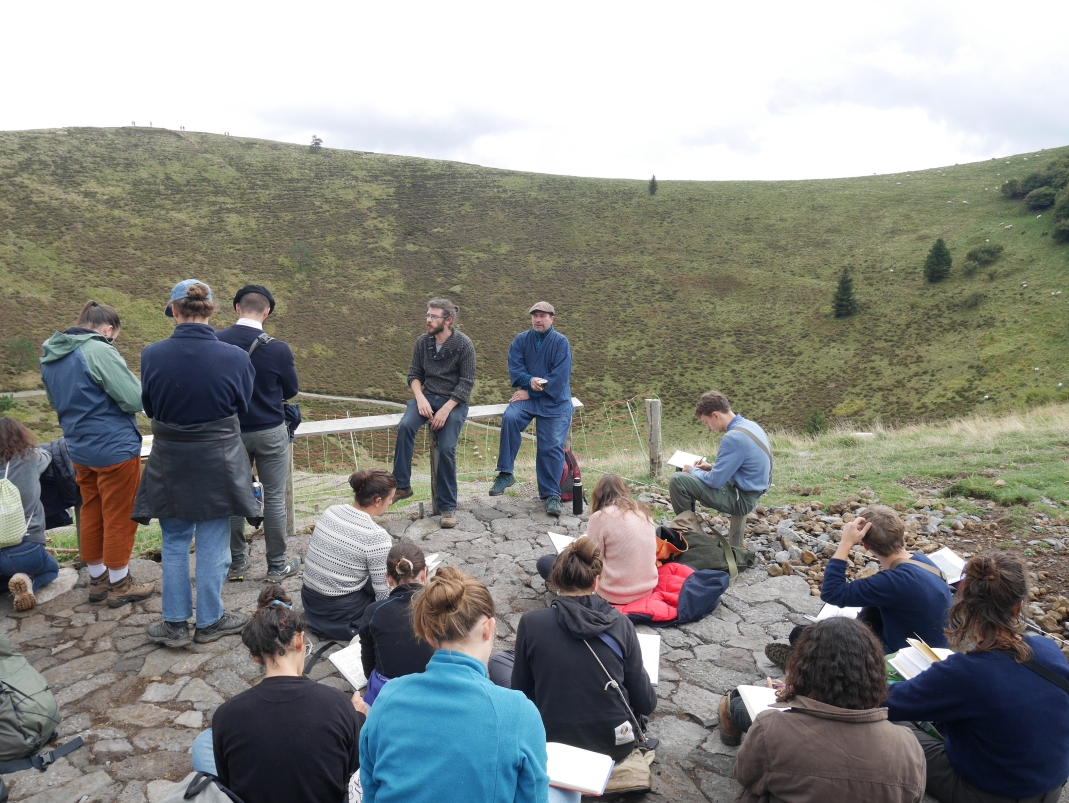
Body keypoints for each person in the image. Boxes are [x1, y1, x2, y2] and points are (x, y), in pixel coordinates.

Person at [887, 552, 1069, 803]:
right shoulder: (1049, 650)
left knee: (893, 726)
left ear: (965, 606)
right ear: (1018, 607)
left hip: (989, 793)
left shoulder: (965, 671)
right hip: (1050, 788)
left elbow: (886, 704)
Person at [134, 280, 258, 647]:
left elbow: (151, 407)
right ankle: (209, 621)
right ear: (211, 311)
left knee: (173, 540)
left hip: (169, 457)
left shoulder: (151, 354)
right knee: (213, 541)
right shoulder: (236, 356)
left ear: (174, 310)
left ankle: (174, 624)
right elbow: (243, 406)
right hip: (218, 457)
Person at [360, 567, 549, 803]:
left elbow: (371, 790)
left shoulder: (387, 698)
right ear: (488, 628)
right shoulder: (519, 711)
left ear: (428, 635)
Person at [190, 584, 366, 803]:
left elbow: (229, 783)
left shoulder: (227, 715)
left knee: (204, 741)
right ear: (300, 641)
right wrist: (357, 719)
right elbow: (352, 771)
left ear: (255, 657)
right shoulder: (337, 703)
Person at [731, 616, 926, 803]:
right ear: (875, 675)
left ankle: (727, 711)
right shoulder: (908, 745)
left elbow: (745, 775)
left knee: (736, 704)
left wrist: (785, 704)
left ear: (804, 670)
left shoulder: (772, 729)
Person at [39, 301, 154, 608]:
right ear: (107, 330)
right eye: (113, 336)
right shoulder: (98, 350)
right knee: (120, 513)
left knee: (90, 508)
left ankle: (97, 579)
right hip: (114, 447)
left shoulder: (50, 355)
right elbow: (132, 397)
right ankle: (120, 583)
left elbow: (54, 401)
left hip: (77, 447)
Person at [513, 539, 656, 779]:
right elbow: (645, 704)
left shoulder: (531, 623)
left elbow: (520, 692)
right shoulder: (622, 624)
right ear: (595, 581)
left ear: (556, 581)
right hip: (614, 746)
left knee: (501, 663)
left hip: (551, 743)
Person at [215, 284, 301, 582]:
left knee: (233, 497)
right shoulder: (278, 348)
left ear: (237, 307)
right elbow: (290, 390)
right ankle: (277, 565)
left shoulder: (216, 341)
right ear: (266, 312)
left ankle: (237, 564)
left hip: (230, 432)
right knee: (274, 498)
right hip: (269, 430)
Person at [819, 506, 951, 654]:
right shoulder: (922, 561)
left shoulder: (893, 582)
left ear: (866, 545)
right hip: (937, 648)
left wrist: (845, 543)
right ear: (903, 535)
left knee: (804, 635)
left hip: (909, 660)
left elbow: (832, 592)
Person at [390, 299, 476, 529]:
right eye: (427, 315)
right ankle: (402, 485)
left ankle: (447, 507)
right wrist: (420, 398)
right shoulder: (422, 343)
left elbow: (466, 383)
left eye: (433, 316)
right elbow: (414, 374)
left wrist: (446, 410)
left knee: (447, 448)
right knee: (406, 426)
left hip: (454, 402)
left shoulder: (464, 345)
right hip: (427, 396)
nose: (428, 320)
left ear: (447, 321)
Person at [489, 302, 573, 518]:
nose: (538, 319)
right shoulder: (521, 340)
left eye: (543, 316)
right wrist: (529, 380)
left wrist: (532, 391)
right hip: (529, 397)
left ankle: (552, 494)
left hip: (554, 401)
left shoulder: (561, 343)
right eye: (535, 316)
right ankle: (506, 472)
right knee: (510, 417)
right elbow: (516, 369)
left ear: (552, 318)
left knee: (551, 446)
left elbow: (560, 377)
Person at [302, 469, 396, 641]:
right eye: (391, 498)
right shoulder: (377, 536)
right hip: (340, 612)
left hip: (310, 600)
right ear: (378, 501)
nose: (391, 502)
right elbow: (383, 596)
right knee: (393, 590)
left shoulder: (331, 511)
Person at [668, 391, 770, 517]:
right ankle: (689, 523)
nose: (707, 427)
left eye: (706, 421)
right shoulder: (750, 425)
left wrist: (693, 470)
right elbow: (744, 464)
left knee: (678, 480)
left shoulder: (733, 438)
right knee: (683, 470)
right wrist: (711, 467)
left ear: (715, 415)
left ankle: (687, 533)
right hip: (749, 490)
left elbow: (715, 481)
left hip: (741, 499)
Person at [358, 541, 435, 704]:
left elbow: (369, 668)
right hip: (434, 690)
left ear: (388, 579)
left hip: (389, 695)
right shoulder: (441, 608)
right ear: (424, 574)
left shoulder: (374, 612)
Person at [0, 418, 60, 610]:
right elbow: (46, 456)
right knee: (52, 570)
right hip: (26, 548)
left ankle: (10, 581)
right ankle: (28, 581)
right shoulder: (28, 457)